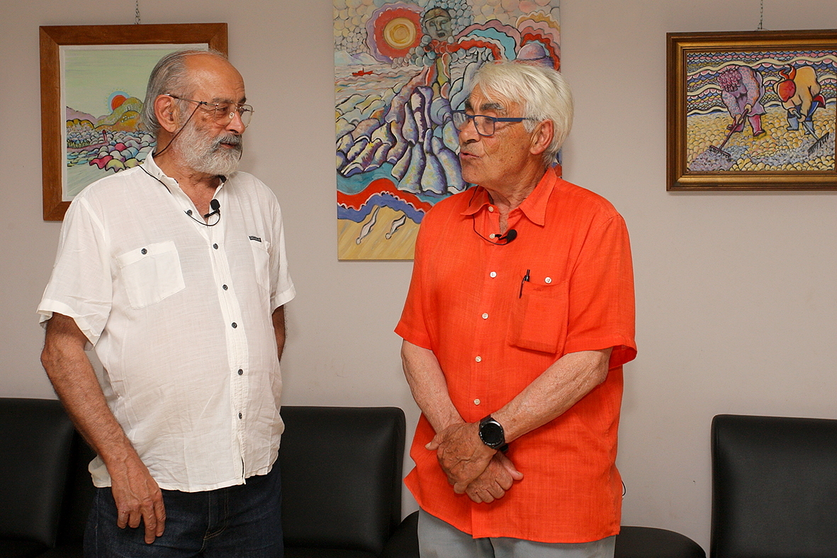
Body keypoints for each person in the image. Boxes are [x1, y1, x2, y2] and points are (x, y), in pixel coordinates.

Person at [38, 50, 295, 557]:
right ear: (169, 112)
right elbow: (61, 350)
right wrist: (122, 464)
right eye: (219, 109)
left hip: (253, 489)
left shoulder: (260, 202)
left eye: (242, 108)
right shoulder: (105, 206)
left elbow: (272, 325)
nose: (237, 123)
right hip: (149, 493)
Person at [395, 60, 636, 557]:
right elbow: (416, 344)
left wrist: (484, 439)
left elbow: (588, 362)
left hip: (550, 498)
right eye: (467, 115)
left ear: (539, 135)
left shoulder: (596, 222)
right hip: (452, 489)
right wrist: (460, 448)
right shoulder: (440, 223)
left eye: (489, 118)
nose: (465, 131)